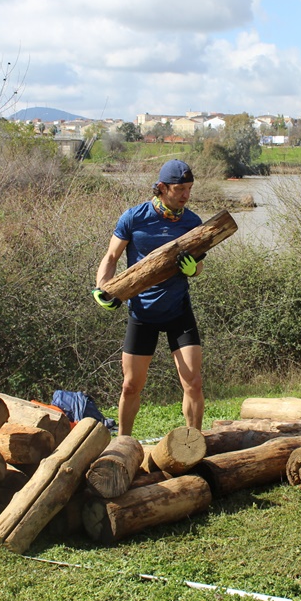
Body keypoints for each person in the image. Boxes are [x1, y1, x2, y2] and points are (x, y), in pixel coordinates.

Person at [92, 159, 206, 436]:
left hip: (179, 311)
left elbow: (200, 265)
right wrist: (102, 288)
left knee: (193, 383)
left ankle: (194, 441)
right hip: (142, 312)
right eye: (180, 189)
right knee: (131, 385)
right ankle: (123, 442)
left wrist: (194, 269)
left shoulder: (193, 222)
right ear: (162, 188)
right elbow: (111, 257)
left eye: (189, 188)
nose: (186, 195)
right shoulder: (134, 218)